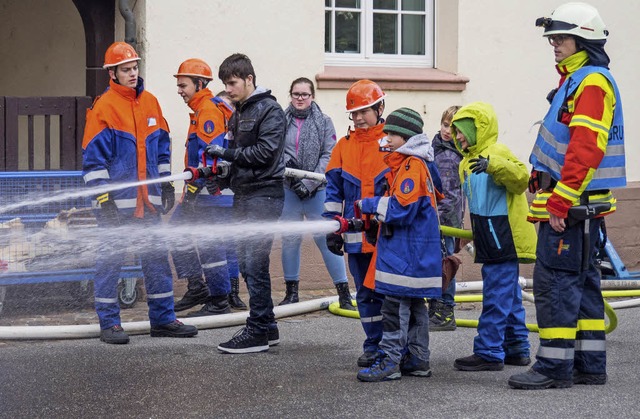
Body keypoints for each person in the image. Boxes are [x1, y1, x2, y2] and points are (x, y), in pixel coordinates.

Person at [509, 2, 624, 390]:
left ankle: (553, 367)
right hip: (578, 205)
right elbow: (564, 144)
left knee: (556, 285)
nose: (554, 45)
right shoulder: (579, 80)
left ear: (584, 39)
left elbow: (585, 148)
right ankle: (589, 365)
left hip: (569, 208)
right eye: (552, 38)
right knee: (584, 284)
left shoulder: (589, 82)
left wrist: (559, 200)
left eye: (560, 38)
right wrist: (539, 177)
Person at [82, 42, 197, 344]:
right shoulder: (103, 108)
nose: (133, 73)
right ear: (113, 73)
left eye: (135, 68)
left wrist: (166, 184)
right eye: (126, 69)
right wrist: (103, 199)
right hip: (115, 207)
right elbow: (93, 163)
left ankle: (163, 319)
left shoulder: (152, 104)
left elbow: (161, 150)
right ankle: (109, 323)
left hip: (148, 205)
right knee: (111, 261)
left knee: (157, 259)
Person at [353, 108, 443, 382]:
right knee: (415, 307)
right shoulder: (417, 164)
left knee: (392, 308)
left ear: (406, 136)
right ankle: (417, 359)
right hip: (416, 254)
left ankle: (389, 361)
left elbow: (401, 209)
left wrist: (366, 204)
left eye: (392, 134)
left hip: (404, 255)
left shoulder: (411, 166)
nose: (387, 138)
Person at [205, 53, 286, 353]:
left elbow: (265, 153)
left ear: (249, 79)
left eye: (233, 83)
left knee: (254, 262)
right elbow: (241, 158)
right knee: (248, 263)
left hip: (264, 196)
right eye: (225, 83)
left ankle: (257, 330)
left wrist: (225, 156)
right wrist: (222, 179)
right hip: (245, 194)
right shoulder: (239, 112)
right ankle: (269, 326)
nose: (227, 89)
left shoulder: (271, 111)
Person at [450, 101, 535, 371]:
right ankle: (517, 348)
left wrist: (493, 165)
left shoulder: (496, 152)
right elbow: (479, 204)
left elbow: (522, 178)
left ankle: (488, 351)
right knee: (507, 295)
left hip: (503, 236)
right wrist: (468, 236)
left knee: (497, 296)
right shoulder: (466, 163)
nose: (458, 136)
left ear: (479, 128)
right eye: (456, 132)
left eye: (462, 130)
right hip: (490, 236)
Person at [169, 58, 246, 317]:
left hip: (211, 194)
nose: (180, 90)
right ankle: (198, 287)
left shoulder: (208, 111)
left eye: (184, 85)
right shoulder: (202, 109)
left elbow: (210, 157)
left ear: (199, 84)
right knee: (179, 233)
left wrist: (191, 192)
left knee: (210, 245)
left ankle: (219, 300)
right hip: (203, 193)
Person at [324, 79, 392, 368]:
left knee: (390, 294)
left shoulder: (392, 143)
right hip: (355, 239)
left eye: (365, 110)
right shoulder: (343, 147)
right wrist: (330, 226)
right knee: (365, 294)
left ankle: (395, 347)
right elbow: (332, 192)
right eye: (354, 113)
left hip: (387, 237)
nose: (359, 117)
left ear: (380, 108)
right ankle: (374, 345)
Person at [278, 77, 355, 311]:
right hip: (288, 189)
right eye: (296, 94)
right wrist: (290, 173)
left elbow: (328, 155)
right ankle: (291, 294)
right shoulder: (280, 120)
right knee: (290, 241)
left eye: (305, 94)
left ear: (312, 97)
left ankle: (343, 294)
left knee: (326, 241)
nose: (300, 98)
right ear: (290, 95)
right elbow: (273, 149)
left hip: (317, 190)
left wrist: (309, 182)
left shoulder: (324, 122)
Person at [429, 105, 463, 331]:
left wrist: (436, 221)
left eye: (453, 127)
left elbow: (449, 195)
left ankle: (445, 311)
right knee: (437, 265)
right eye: (444, 125)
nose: (447, 131)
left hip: (445, 223)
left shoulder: (449, 156)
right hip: (442, 220)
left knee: (445, 266)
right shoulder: (437, 148)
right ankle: (435, 308)